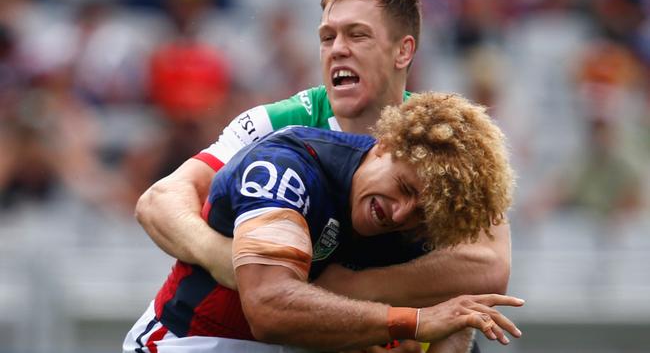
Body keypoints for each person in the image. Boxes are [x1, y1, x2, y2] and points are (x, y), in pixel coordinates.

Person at [135, 0, 512, 351]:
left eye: (358, 35)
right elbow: (158, 201)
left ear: (403, 50)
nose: (338, 50)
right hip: (208, 336)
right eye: (327, 37)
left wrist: (354, 295)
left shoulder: (438, 143)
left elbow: (488, 265)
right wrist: (228, 259)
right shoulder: (280, 127)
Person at [124, 92, 521, 352]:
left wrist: (429, 324)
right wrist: (411, 321)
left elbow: (481, 279)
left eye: (420, 213)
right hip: (194, 342)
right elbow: (270, 309)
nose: (400, 213)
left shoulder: (419, 218)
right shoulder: (290, 164)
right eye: (404, 187)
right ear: (386, 144)